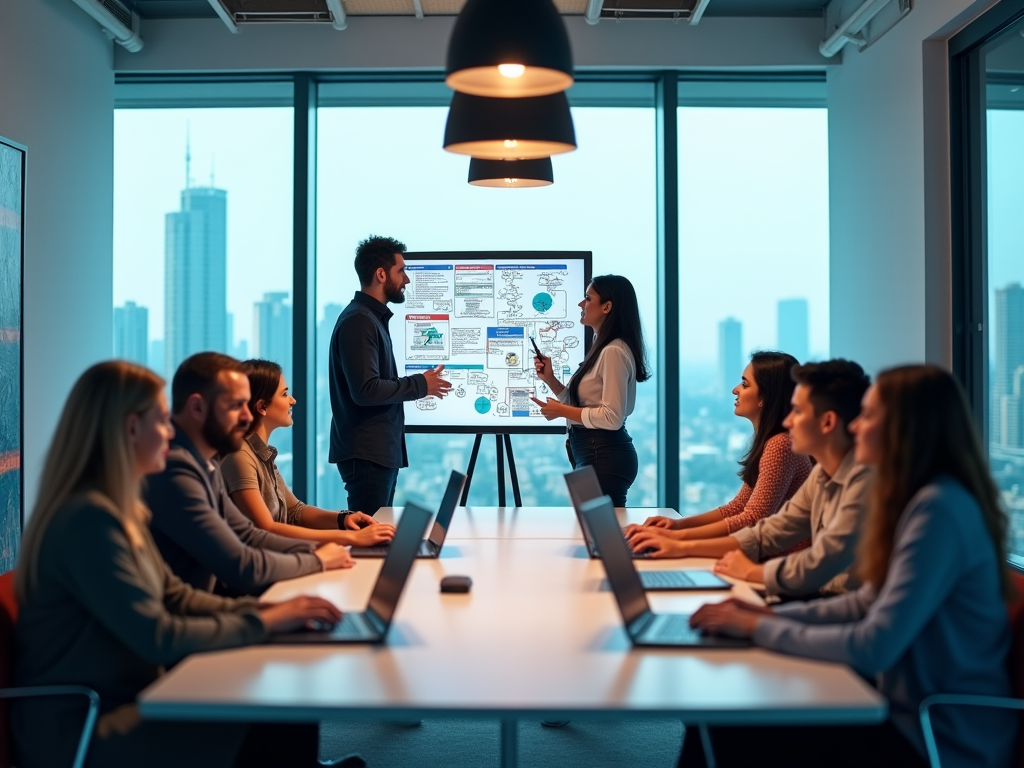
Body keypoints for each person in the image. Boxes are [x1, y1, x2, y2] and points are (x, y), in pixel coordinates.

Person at [11, 361, 356, 768]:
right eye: (161, 420)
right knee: (267, 702)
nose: (171, 432)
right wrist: (264, 622)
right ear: (127, 430)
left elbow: (175, 595)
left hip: (127, 690)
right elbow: (157, 635)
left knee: (273, 686)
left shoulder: (118, 510)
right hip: (86, 723)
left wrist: (265, 612)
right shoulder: (90, 521)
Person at [686, 365, 1015, 768]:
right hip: (901, 708)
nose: (856, 425)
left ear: (907, 430)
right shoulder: (922, 501)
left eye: (870, 415)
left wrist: (760, 627)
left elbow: (873, 645)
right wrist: (768, 614)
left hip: (934, 734)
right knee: (724, 717)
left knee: (731, 725)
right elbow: (864, 603)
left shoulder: (938, 511)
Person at [628, 360, 871, 599]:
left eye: (797, 411)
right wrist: (678, 539)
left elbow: (809, 560)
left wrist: (753, 573)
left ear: (827, 422)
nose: (788, 421)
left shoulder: (857, 482)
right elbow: (762, 529)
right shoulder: (821, 474)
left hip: (817, 594)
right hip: (806, 588)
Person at [146, 352, 355, 596]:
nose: (247, 417)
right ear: (197, 407)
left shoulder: (206, 465)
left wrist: (332, 540)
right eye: (236, 406)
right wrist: (320, 557)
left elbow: (250, 534)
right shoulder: (178, 472)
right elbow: (242, 563)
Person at [628, 351, 811, 548]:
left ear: (764, 398)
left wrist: (676, 539)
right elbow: (738, 507)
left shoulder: (780, 444)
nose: (735, 390)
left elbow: (753, 518)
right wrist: (677, 526)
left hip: (787, 564)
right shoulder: (773, 441)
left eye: (745, 384)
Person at [329, 235, 451, 515]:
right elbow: (366, 390)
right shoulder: (359, 321)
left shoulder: (368, 318)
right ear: (381, 274)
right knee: (369, 539)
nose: (407, 279)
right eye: (401, 271)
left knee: (378, 534)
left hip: (375, 453)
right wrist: (421, 384)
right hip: (367, 453)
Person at [221, 359, 396, 548]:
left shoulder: (261, 454)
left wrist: (344, 519)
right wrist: (351, 538)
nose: (292, 400)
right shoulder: (239, 456)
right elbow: (266, 529)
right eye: (285, 394)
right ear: (262, 407)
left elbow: (295, 511)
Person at [530, 274, 651, 506]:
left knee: (601, 535)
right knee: (597, 531)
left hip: (602, 453)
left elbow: (611, 416)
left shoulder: (613, 351)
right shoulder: (603, 348)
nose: (581, 304)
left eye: (587, 298)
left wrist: (562, 411)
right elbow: (584, 404)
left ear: (606, 307)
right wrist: (551, 379)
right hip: (593, 452)